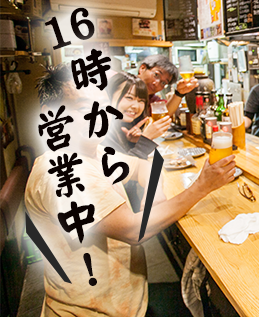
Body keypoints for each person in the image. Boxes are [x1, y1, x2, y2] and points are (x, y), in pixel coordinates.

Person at [25, 64, 237, 316]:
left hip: (123, 304)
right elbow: (133, 229)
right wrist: (202, 186)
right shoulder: (60, 172)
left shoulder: (95, 152)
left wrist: (155, 203)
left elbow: (140, 168)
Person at [104, 72, 171, 159]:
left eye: (141, 101)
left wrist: (132, 143)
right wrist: (146, 139)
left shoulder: (118, 128)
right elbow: (123, 170)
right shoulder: (99, 132)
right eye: (129, 98)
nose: (136, 106)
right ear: (108, 95)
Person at [136, 54, 198, 119]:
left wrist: (179, 93)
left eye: (163, 83)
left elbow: (165, 114)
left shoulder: (151, 99)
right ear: (142, 68)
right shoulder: (125, 88)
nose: (156, 84)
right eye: (156, 75)